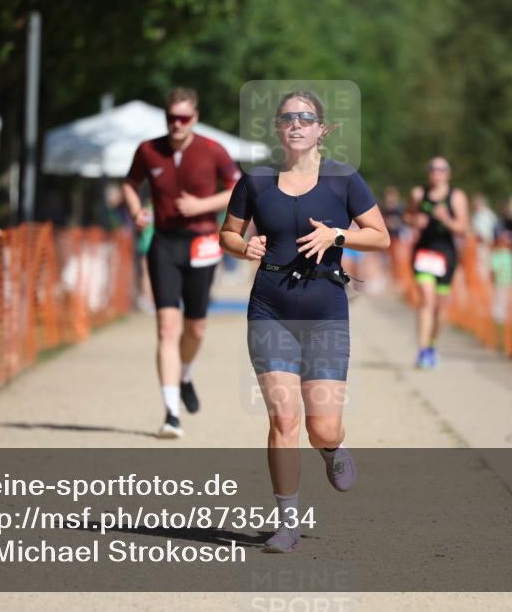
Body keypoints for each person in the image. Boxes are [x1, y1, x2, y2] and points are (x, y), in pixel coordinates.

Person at [220, 90, 390, 553]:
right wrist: (243, 247)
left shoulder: (343, 179)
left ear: (322, 129)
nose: (296, 124)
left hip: (325, 311)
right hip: (270, 308)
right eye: (287, 117)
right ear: (277, 128)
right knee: (283, 418)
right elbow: (228, 234)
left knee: (323, 427)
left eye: (305, 117)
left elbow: (381, 236)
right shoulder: (255, 181)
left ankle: (333, 451)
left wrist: (338, 234)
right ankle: (287, 523)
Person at [122, 87, 241, 438]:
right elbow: (130, 184)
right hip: (164, 244)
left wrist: (203, 206)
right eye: (171, 118)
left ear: (195, 118)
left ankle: (186, 374)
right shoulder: (148, 150)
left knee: (196, 328)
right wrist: (135, 211)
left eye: (184, 118)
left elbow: (238, 187)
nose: (177, 124)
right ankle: (171, 413)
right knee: (166, 329)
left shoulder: (212, 150)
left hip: (203, 242)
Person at [405, 157, 469, 369]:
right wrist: (415, 221)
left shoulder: (456, 197)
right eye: (433, 169)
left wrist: (446, 220)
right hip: (424, 252)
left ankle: (432, 345)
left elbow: (462, 228)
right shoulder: (418, 194)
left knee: (440, 308)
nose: (437, 173)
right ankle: (422, 350)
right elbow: (407, 215)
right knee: (426, 299)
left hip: (446, 254)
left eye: (441, 170)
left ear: (448, 174)